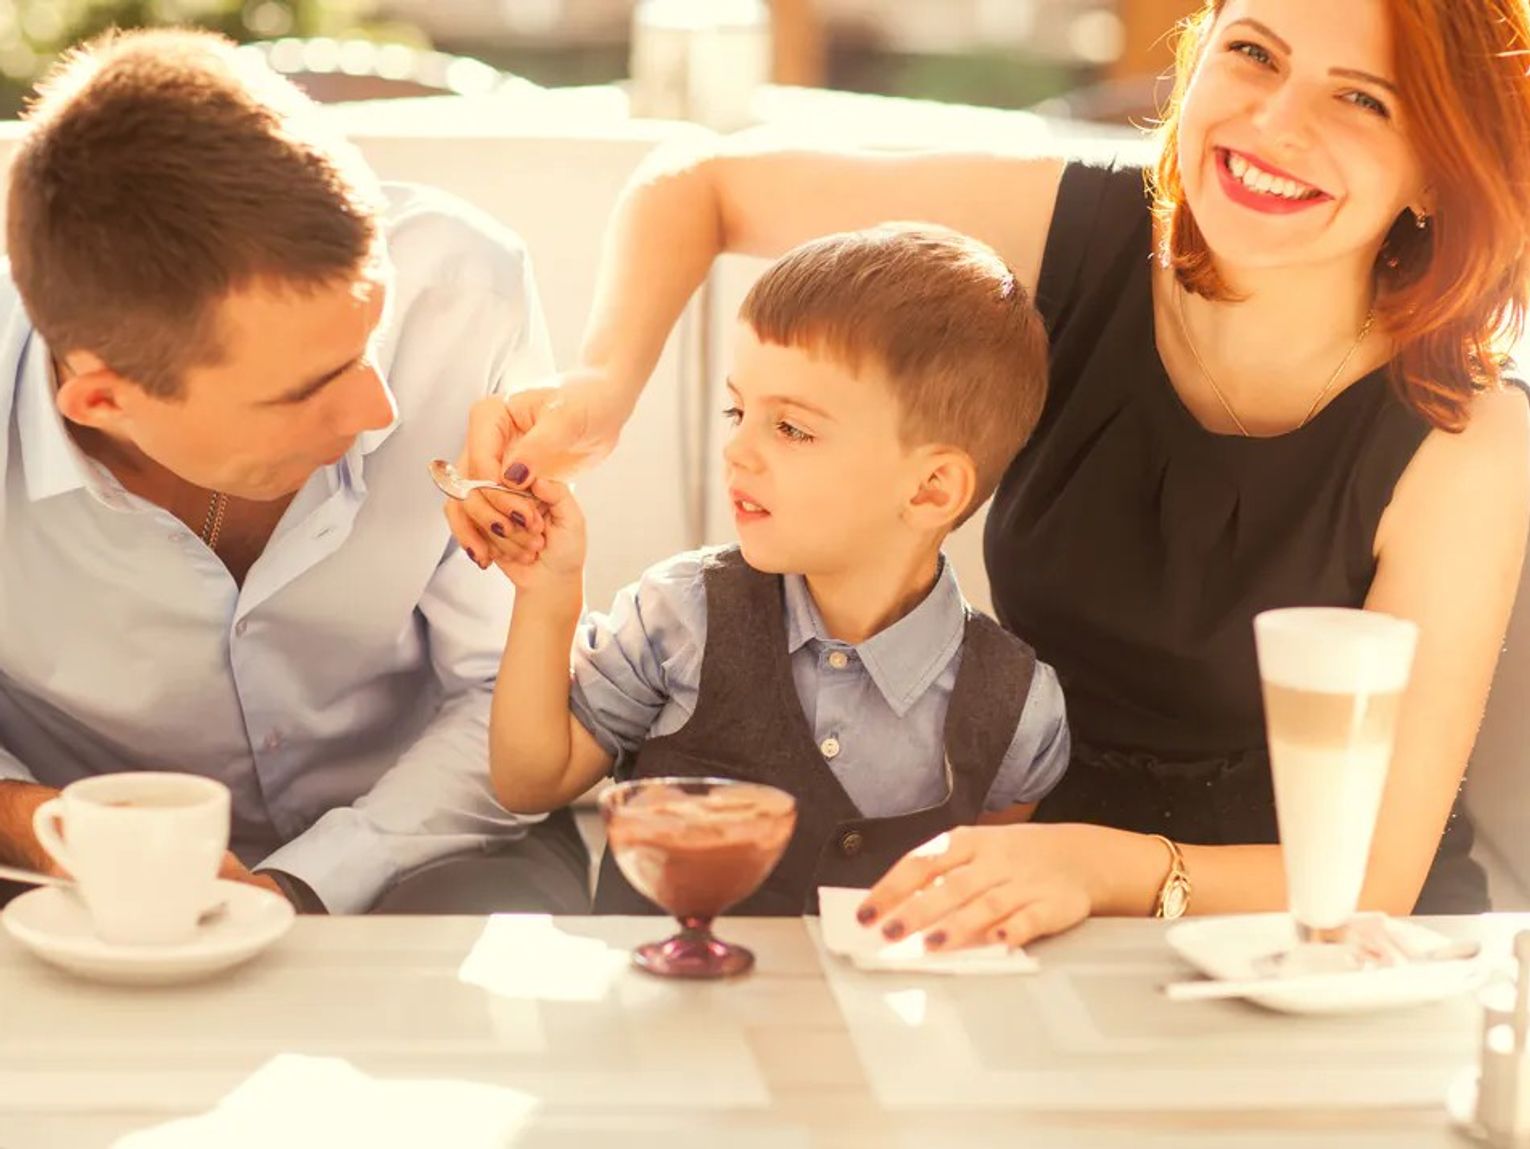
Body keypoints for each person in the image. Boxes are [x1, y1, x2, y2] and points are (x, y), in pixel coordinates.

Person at [449, 0, 1530, 944]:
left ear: (1442, 166)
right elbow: (701, 184)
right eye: (1253, 53)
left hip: (1312, 943)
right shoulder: (1088, 229)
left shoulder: (1468, 436)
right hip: (1022, 883)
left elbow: (1372, 878)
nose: (1274, 122)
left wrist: (1093, 867)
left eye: (1362, 100)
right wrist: (601, 390)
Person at [0, 29, 590, 915]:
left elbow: (499, 687)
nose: (380, 411)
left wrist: (305, 884)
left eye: (371, 340)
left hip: (440, 836)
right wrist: (37, 825)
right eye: (306, 389)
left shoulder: (462, 292)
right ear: (103, 401)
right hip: (64, 870)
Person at [483, 225, 1069, 914]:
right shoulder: (679, 615)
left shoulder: (1019, 712)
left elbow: (973, 908)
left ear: (930, 489)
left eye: (791, 428)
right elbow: (530, 781)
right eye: (738, 410)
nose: (737, 449)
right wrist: (549, 591)